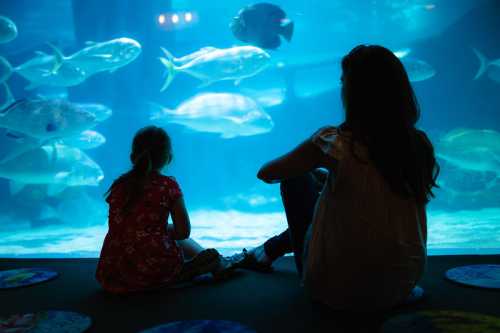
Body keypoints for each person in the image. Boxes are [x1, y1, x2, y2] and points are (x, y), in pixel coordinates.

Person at [235, 45, 440, 311]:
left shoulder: (335, 143)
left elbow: (267, 173)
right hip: (404, 282)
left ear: (354, 93)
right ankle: (270, 249)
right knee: (326, 183)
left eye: (344, 82)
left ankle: (270, 251)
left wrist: (312, 155)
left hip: (337, 287)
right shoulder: (418, 145)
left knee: (295, 180)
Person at [96, 126, 231, 293]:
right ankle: (202, 267)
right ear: (169, 158)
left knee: (157, 231)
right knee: (206, 255)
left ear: (132, 157)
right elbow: (183, 232)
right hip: (156, 272)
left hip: (113, 274)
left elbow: (122, 225)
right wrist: (159, 233)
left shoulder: (119, 185)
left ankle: (193, 267)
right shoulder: (168, 186)